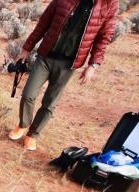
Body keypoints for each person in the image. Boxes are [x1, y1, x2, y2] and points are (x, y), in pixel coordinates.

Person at [9, 0, 119, 151]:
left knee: (50, 103)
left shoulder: (109, 4)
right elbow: (43, 23)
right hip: (46, 57)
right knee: (28, 94)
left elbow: (104, 37)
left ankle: (32, 135)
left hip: (69, 64)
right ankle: (23, 125)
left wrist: (93, 65)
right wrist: (27, 48)